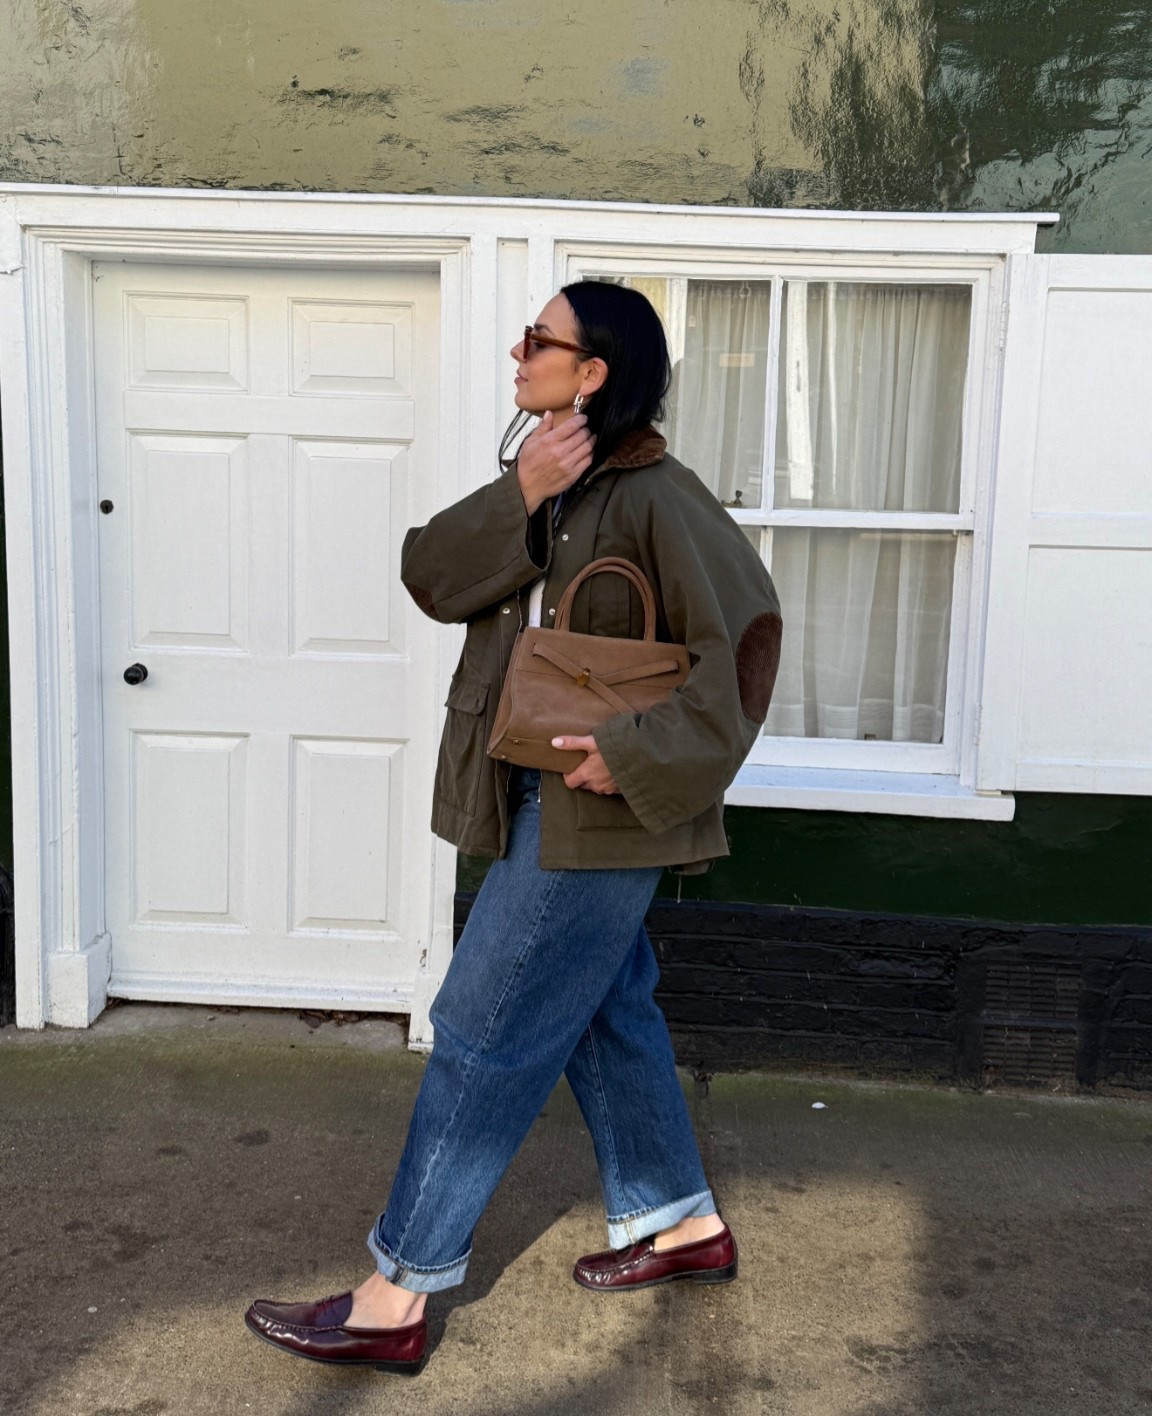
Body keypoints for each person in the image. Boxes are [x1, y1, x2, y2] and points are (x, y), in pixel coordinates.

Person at [244, 281, 783, 1376]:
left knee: (482, 1031)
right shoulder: (547, 481)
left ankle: (396, 1293)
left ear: (593, 374)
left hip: (602, 812)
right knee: (605, 1013)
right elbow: (431, 577)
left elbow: (744, 656)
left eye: (539, 341)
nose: (516, 351)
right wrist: (522, 494)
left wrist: (627, 756)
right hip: (539, 798)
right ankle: (679, 1222)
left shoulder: (662, 503)